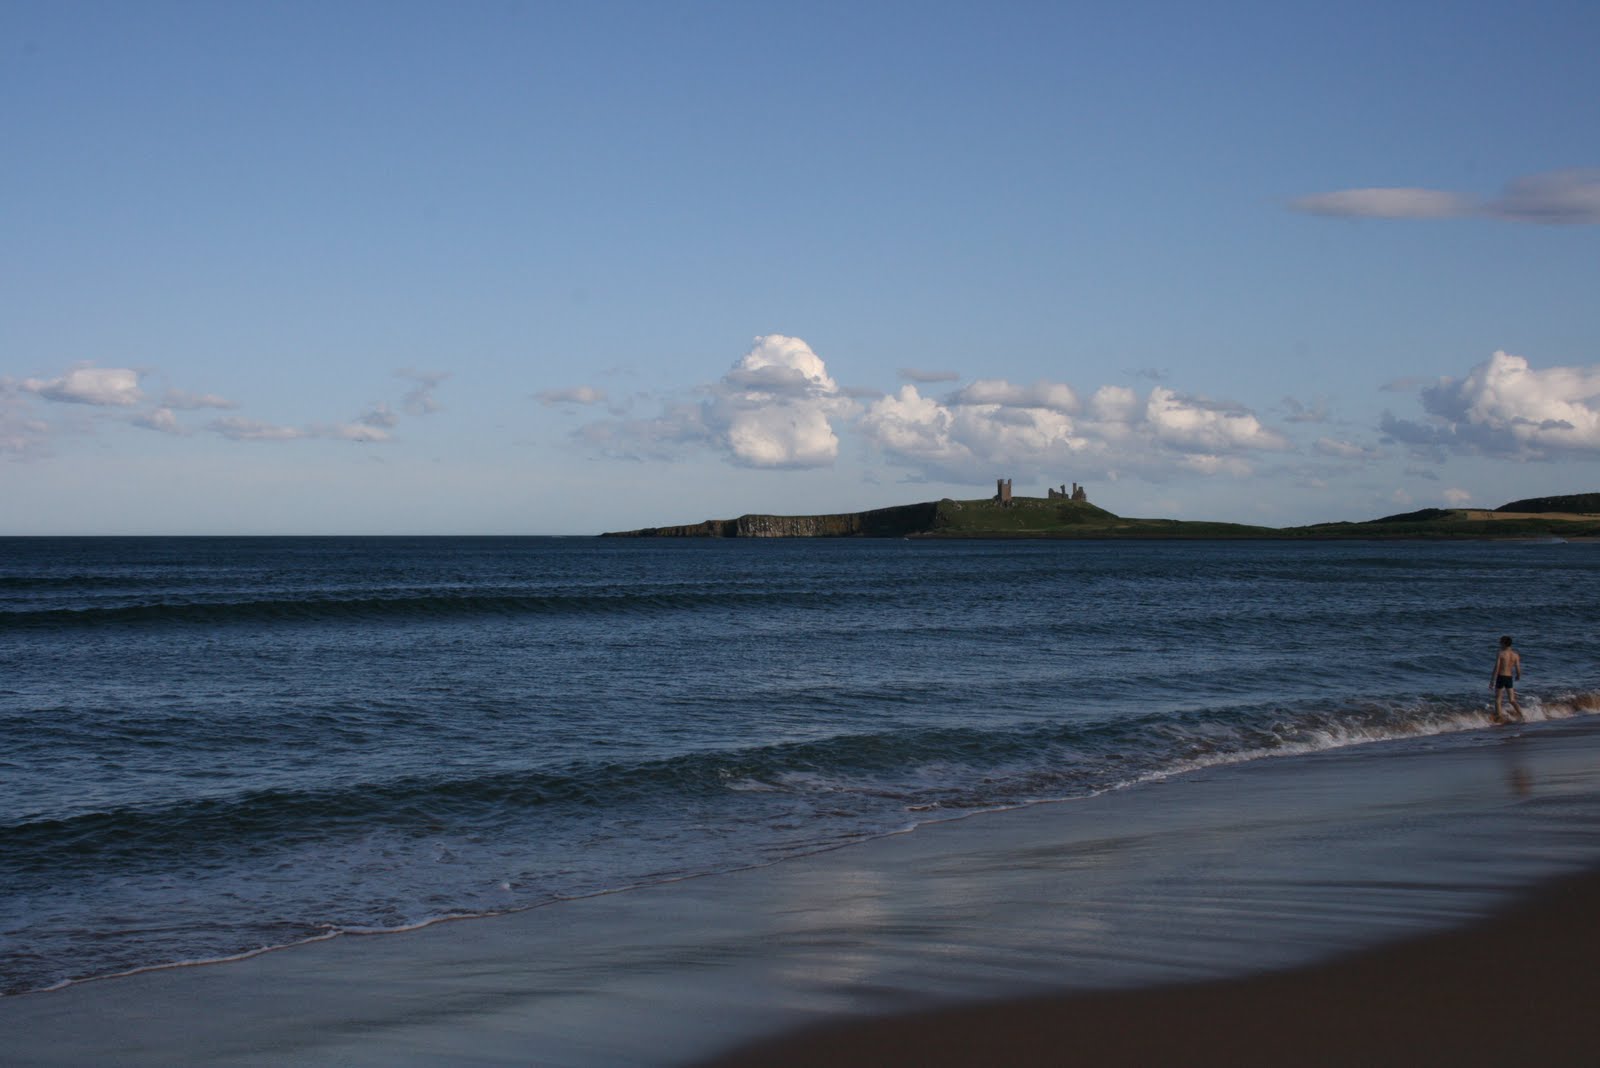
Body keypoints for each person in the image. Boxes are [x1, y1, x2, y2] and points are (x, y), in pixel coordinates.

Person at [1490, 635, 1522, 724]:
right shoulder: (1515, 655)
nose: (1499, 644)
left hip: (1501, 677)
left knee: (1498, 699)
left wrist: (1492, 680)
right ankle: (1522, 716)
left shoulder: (1500, 653)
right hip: (1509, 678)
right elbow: (1518, 668)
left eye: (1500, 642)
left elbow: (1497, 667)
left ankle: (1499, 719)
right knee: (1512, 700)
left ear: (1504, 644)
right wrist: (1518, 676)